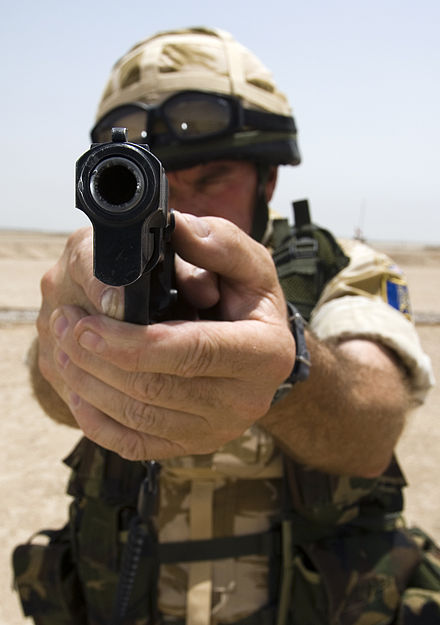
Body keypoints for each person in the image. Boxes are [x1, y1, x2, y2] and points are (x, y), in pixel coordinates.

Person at [14, 26, 440, 625]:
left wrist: (288, 361)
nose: (184, 208)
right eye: (161, 184)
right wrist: (67, 341)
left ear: (268, 179)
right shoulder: (97, 278)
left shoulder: (340, 268)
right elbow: (54, 399)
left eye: (212, 178)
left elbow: (372, 429)